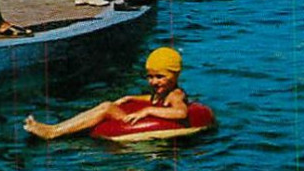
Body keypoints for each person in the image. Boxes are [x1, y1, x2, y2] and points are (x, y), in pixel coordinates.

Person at [25, 47, 189, 141]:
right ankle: (57, 128)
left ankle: (54, 131)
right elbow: (154, 100)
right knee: (105, 107)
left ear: (175, 75)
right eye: (150, 77)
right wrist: (132, 98)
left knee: (106, 107)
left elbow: (181, 112)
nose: (153, 82)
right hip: (137, 121)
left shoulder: (176, 94)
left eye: (160, 77)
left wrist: (147, 110)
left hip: (140, 123)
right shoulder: (162, 92)